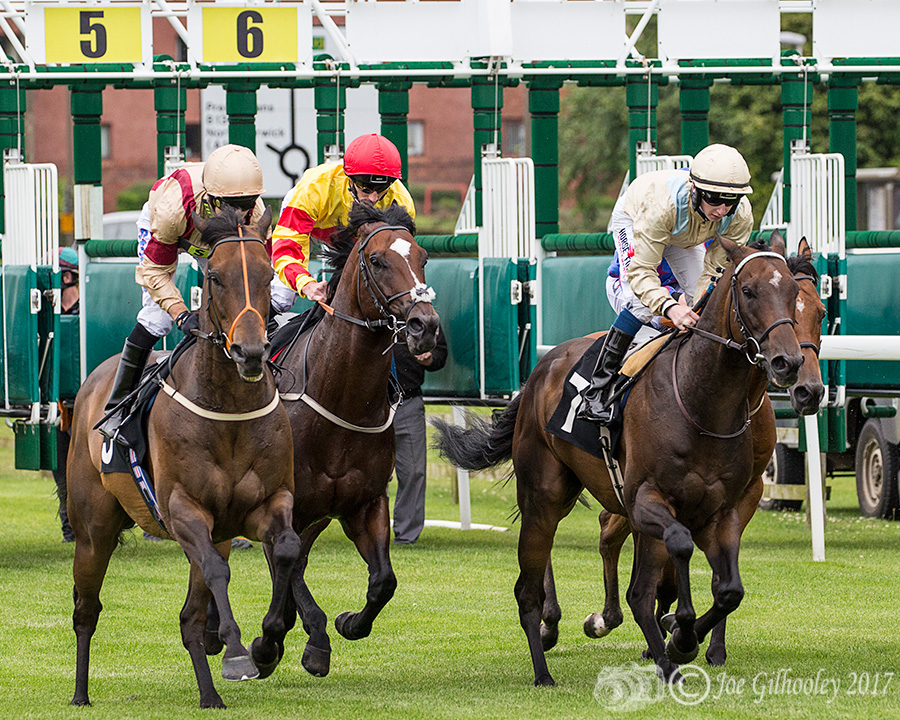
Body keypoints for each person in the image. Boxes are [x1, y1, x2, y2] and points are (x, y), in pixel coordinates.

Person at [97, 144, 269, 441]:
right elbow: (154, 272)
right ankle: (117, 409)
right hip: (174, 229)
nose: (241, 214)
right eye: (232, 206)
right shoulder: (172, 210)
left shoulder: (257, 214)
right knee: (157, 319)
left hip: (217, 239)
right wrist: (180, 313)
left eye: (247, 204)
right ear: (212, 199)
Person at [577, 143, 755, 424]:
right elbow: (641, 273)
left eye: (730, 201)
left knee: (703, 303)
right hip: (638, 217)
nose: (721, 210)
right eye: (714, 199)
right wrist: (670, 308)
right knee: (638, 301)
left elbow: (714, 272)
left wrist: (695, 306)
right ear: (695, 190)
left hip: (684, 229)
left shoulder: (740, 214)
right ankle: (597, 390)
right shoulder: (660, 209)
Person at [270, 133, 416, 312]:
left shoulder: (401, 203)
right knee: (282, 298)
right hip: (312, 228)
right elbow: (287, 248)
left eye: (381, 188)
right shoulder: (314, 188)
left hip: (353, 237)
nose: (373, 198)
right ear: (349, 178)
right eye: (365, 188)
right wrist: (306, 284)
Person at [391, 327, 448, 545]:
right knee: (372, 474)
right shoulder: (368, 314)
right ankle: (370, 532)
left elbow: (440, 355)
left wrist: (428, 359)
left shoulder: (422, 318)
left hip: (409, 402)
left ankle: (406, 536)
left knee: (414, 471)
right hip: (370, 406)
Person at [54, 246, 79, 542]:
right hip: (58, 403)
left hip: (88, 402)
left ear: (67, 277)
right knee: (61, 469)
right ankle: (68, 528)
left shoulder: (88, 309)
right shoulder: (45, 315)